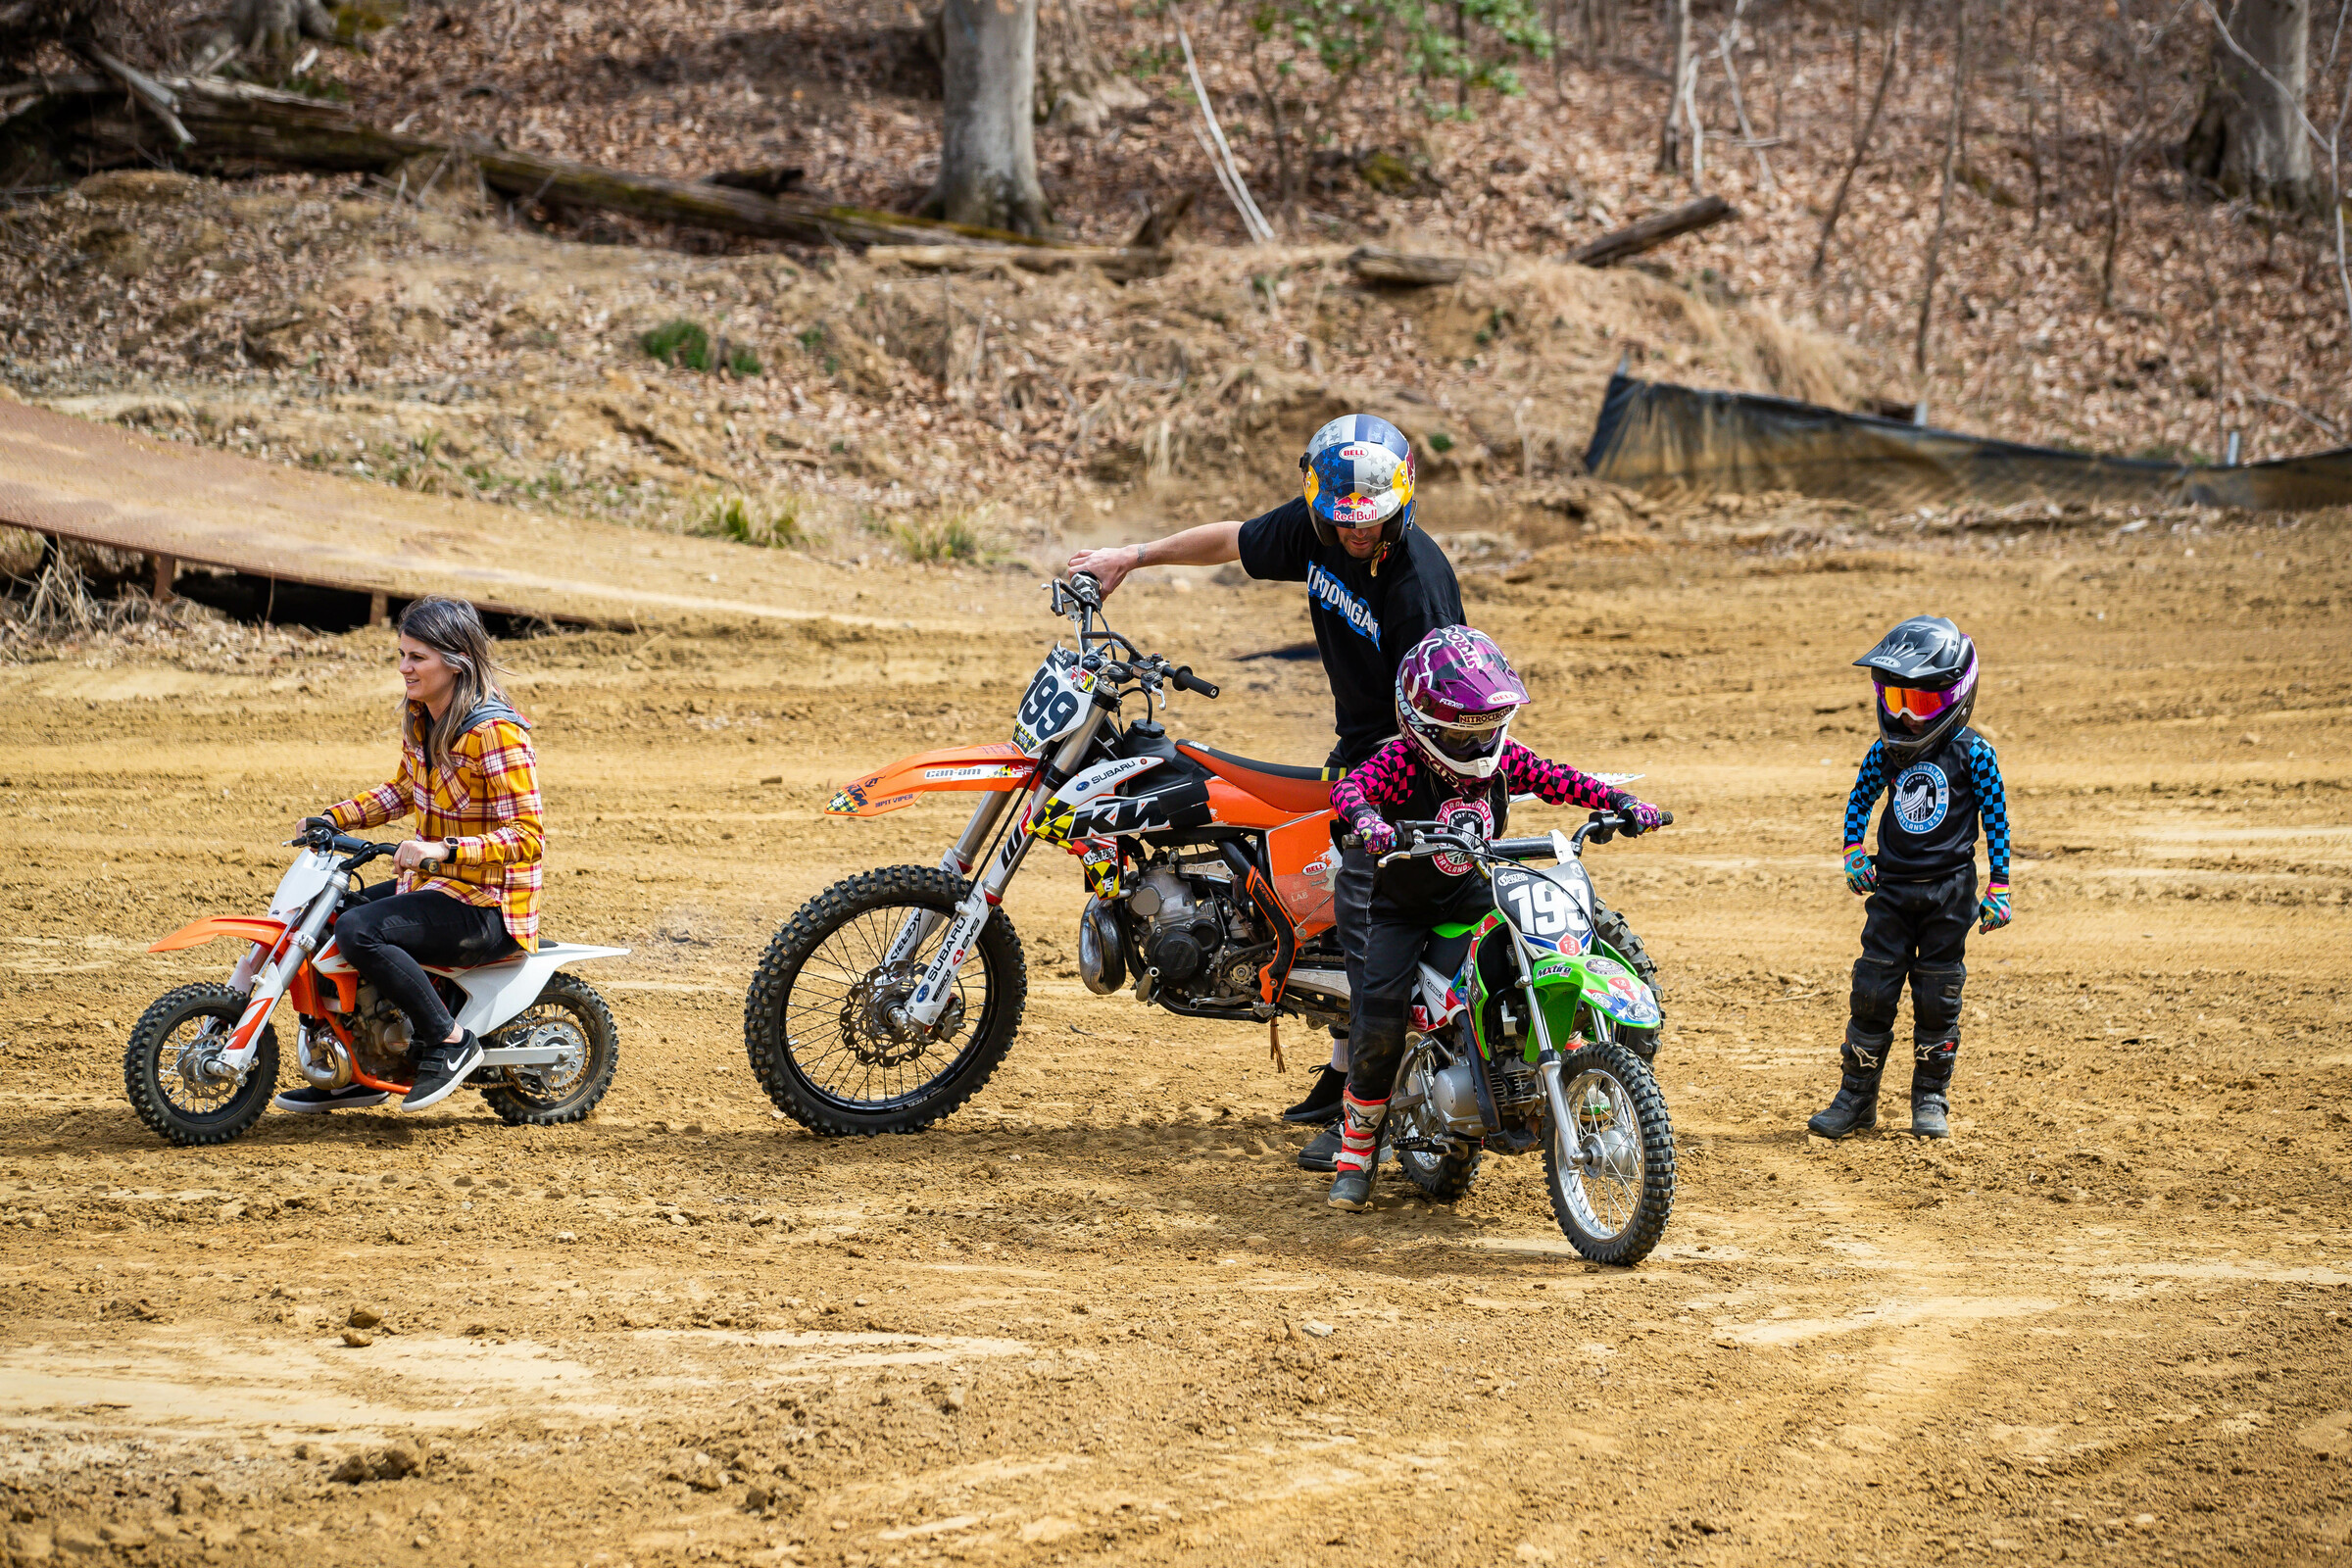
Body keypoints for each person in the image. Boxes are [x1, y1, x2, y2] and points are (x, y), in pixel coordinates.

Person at [1068, 415, 1464, 1170]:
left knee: (1368, 930)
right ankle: (1345, 1069)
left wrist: (1387, 793)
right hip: (1359, 749)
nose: (1355, 535)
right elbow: (1232, 539)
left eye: (1369, 522)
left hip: (1408, 762)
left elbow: (1443, 707)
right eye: (1341, 521)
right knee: (1313, 908)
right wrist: (1133, 556)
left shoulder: (1419, 586)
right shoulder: (1319, 528)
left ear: (1399, 504)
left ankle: (1374, 1115)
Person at [1323, 626, 1666, 1210]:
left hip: (1483, 894)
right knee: (1377, 1013)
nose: (1480, 742)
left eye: (1487, 728)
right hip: (1405, 910)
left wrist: (1619, 802)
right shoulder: (1401, 761)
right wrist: (1371, 823)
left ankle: (1575, 1083)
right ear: (1426, 727)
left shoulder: (1503, 759)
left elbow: (1561, 779)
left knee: (1549, 959)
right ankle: (1356, 1151)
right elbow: (1350, 790)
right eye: (1465, 732)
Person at [275, 595, 544, 1115]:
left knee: (361, 932)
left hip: (489, 905)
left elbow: (528, 836)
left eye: (417, 657)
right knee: (324, 920)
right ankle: (362, 1069)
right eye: (402, 655)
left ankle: (448, 1040)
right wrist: (334, 819)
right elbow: (404, 791)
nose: (404, 668)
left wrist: (441, 850)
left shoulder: (496, 734)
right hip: (434, 888)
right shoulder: (422, 718)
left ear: (455, 658)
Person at [1809, 614, 2010, 1143]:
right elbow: (1860, 799)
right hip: (1892, 890)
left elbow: (1997, 824)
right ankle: (1856, 1098)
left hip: (1950, 894)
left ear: (1956, 696)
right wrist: (1853, 849)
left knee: (1937, 996)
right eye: (1894, 696)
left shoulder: (1976, 755)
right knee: (1872, 991)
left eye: (1919, 703)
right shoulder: (1887, 751)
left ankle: (1930, 1099)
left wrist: (2000, 886)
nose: (1904, 714)